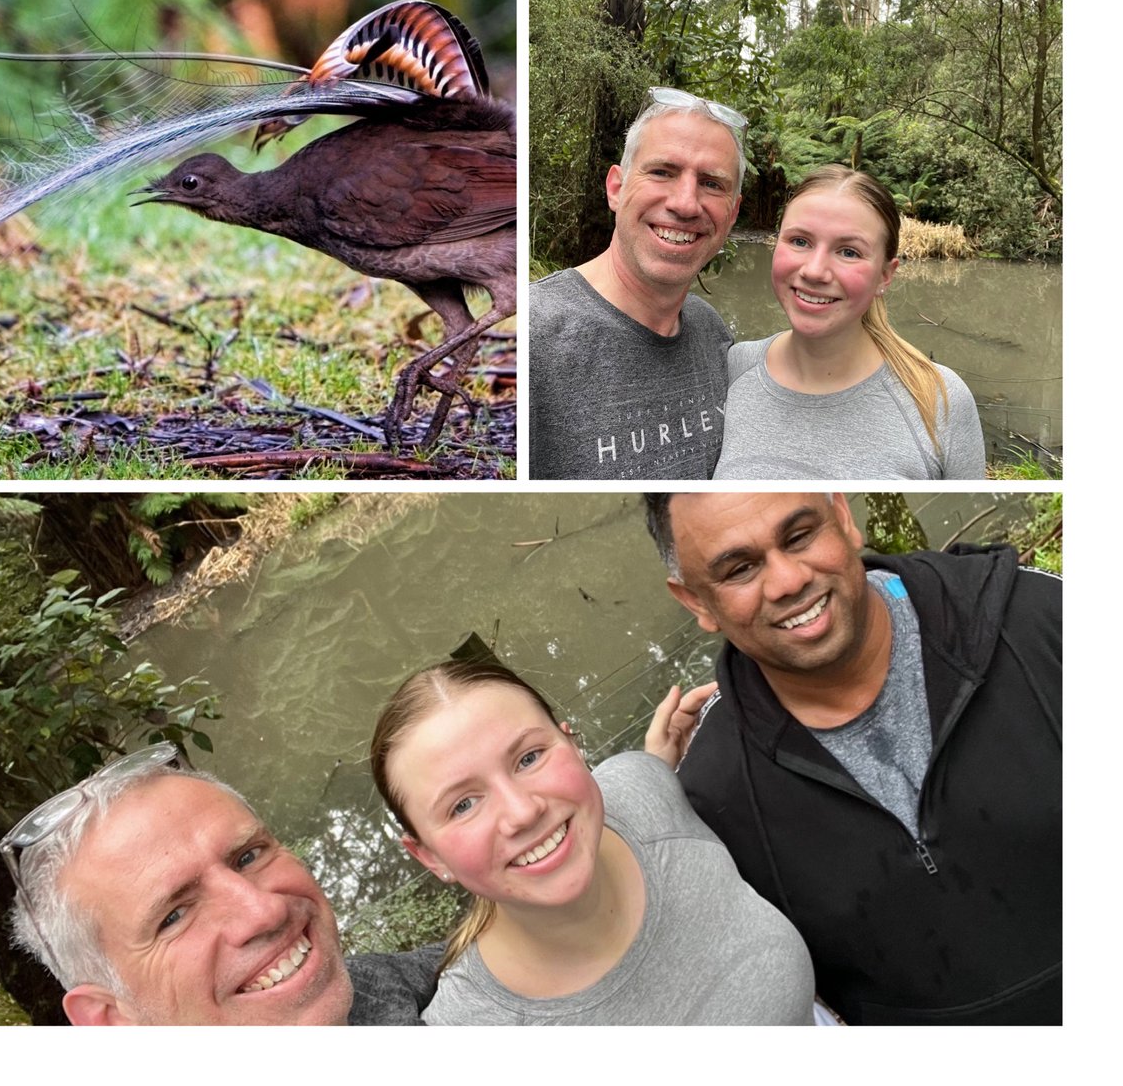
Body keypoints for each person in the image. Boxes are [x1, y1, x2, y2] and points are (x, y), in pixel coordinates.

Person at [643, 491, 1061, 1024]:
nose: (789, 581)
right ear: (696, 602)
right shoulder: (713, 802)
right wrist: (648, 792)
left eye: (799, 537)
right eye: (740, 569)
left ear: (843, 517)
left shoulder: (1046, 623)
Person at [369, 659, 815, 1024]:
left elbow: (634, 785)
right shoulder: (469, 1034)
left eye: (529, 757)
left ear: (573, 746)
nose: (523, 812)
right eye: (463, 805)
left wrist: (656, 763)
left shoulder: (643, 787)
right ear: (428, 856)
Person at [0, 743, 442, 1025]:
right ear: (112, 1021)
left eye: (247, 857)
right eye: (173, 916)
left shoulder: (434, 982)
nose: (263, 911)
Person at [714, 166, 985, 479]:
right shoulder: (733, 369)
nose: (815, 271)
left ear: (885, 275)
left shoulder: (939, 400)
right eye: (800, 241)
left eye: (848, 251)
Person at [529, 87, 745, 480]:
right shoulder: (533, 336)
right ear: (616, 188)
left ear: (732, 214)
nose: (685, 203)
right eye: (663, 172)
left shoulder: (711, 331)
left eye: (712, 183)